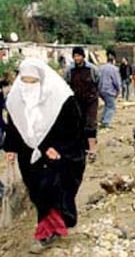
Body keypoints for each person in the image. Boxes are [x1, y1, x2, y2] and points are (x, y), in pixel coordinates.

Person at [4, 58, 85, 254]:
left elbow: (74, 128)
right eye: (25, 82)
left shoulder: (61, 98)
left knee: (52, 191)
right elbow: (14, 125)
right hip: (28, 155)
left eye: (33, 82)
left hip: (56, 157)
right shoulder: (16, 98)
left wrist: (57, 147)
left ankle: (46, 234)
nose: (28, 87)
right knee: (38, 193)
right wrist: (10, 148)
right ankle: (53, 229)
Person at [64, 47, 99, 162]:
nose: (77, 58)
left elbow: (98, 82)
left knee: (90, 123)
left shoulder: (92, 69)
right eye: (75, 56)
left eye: (79, 56)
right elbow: (66, 84)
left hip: (91, 101)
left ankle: (92, 150)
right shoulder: (70, 70)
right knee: (78, 124)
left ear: (83, 57)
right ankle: (82, 148)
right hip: (77, 101)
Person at [98, 50, 122, 129]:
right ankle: (106, 122)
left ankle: (103, 119)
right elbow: (116, 81)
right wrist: (119, 90)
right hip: (109, 91)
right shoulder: (114, 69)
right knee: (112, 107)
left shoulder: (101, 68)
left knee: (107, 105)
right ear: (113, 61)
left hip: (101, 90)